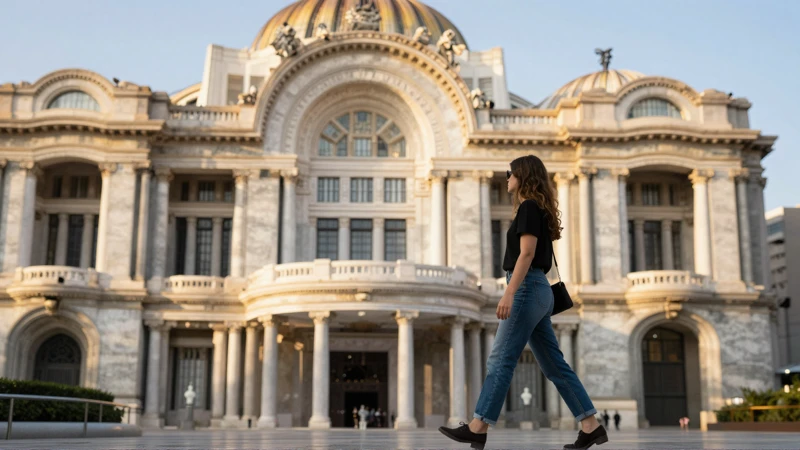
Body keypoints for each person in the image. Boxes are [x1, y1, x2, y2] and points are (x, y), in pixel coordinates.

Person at [439, 156, 608, 450]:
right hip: (538, 289)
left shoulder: (529, 207)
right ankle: (590, 425)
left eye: (510, 173)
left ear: (522, 175)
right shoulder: (537, 208)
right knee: (555, 365)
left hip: (527, 287)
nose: (506, 178)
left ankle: (478, 426)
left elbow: (526, 254)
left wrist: (509, 292)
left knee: (500, 360)